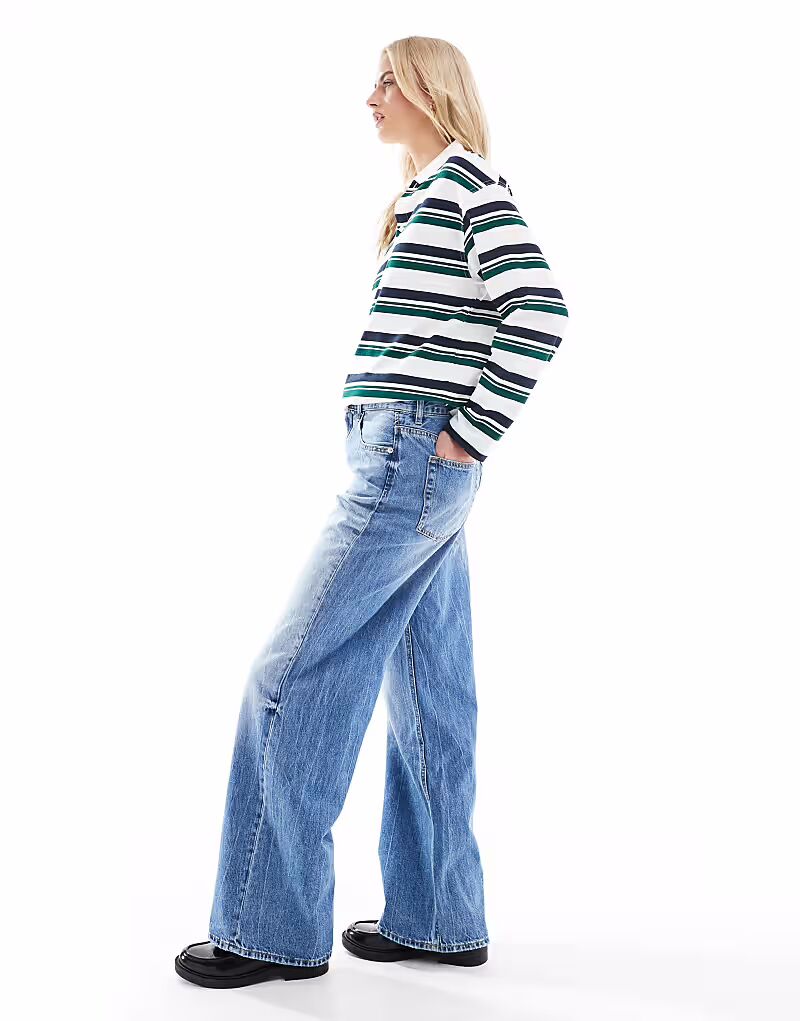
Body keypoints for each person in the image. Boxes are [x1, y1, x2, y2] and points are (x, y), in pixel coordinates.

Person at [175, 34, 568, 988]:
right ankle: (439, 918)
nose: (371, 97)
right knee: (432, 691)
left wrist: (470, 430)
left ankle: (267, 930)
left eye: (387, 80)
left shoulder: (468, 184)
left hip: (411, 461)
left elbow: (541, 308)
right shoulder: (430, 193)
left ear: (431, 88)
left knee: (289, 676)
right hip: (409, 461)